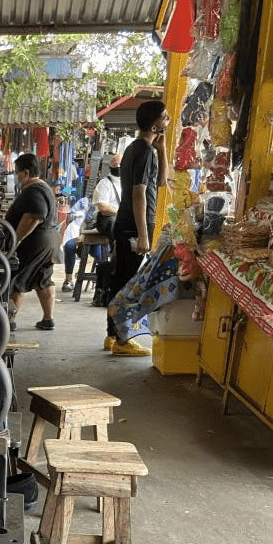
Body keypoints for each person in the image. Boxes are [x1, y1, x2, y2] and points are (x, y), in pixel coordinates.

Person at [104, 100, 170, 356]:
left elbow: (161, 182)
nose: (168, 121)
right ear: (155, 124)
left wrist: (162, 150)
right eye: (165, 118)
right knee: (128, 283)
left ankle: (112, 335)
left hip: (128, 222)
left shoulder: (139, 148)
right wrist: (143, 234)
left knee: (121, 279)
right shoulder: (142, 152)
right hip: (134, 225)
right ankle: (121, 340)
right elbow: (139, 194)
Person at [4, 152, 60, 331]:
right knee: (43, 279)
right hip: (49, 240)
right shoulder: (44, 187)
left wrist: (16, 240)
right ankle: (48, 319)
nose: (17, 177)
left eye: (18, 173)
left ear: (26, 173)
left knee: (16, 279)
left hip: (35, 241)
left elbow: (34, 216)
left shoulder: (33, 190)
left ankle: (9, 321)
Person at [62, 155, 121, 295]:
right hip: (94, 229)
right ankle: (68, 279)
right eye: (115, 165)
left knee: (100, 253)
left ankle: (110, 271)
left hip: (108, 230)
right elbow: (103, 210)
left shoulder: (127, 185)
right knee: (70, 245)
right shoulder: (102, 187)